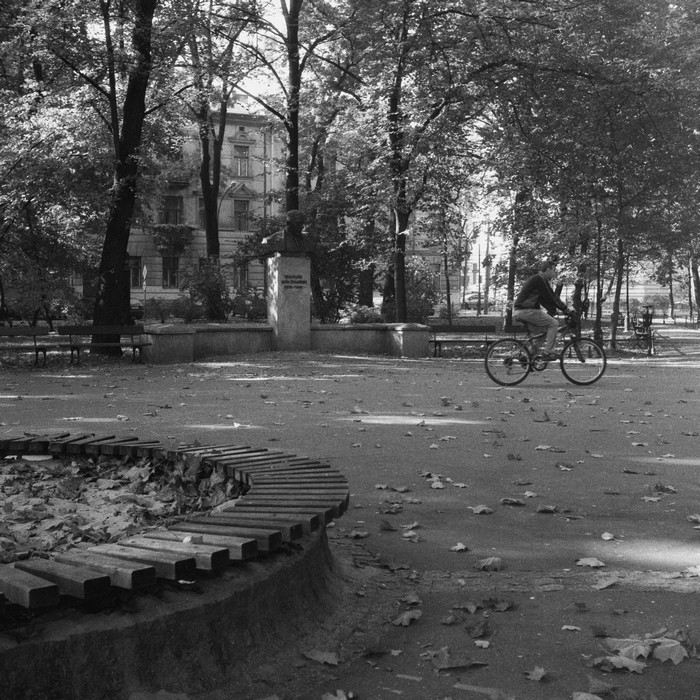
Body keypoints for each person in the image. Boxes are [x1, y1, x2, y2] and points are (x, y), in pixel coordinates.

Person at [513, 260, 571, 360]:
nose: (554, 273)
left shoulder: (539, 279)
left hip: (523, 311)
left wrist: (553, 310)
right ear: (548, 269)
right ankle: (549, 352)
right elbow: (551, 297)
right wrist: (566, 309)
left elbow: (543, 299)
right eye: (553, 270)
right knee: (554, 324)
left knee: (543, 333)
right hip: (526, 311)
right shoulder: (540, 279)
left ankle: (526, 357)